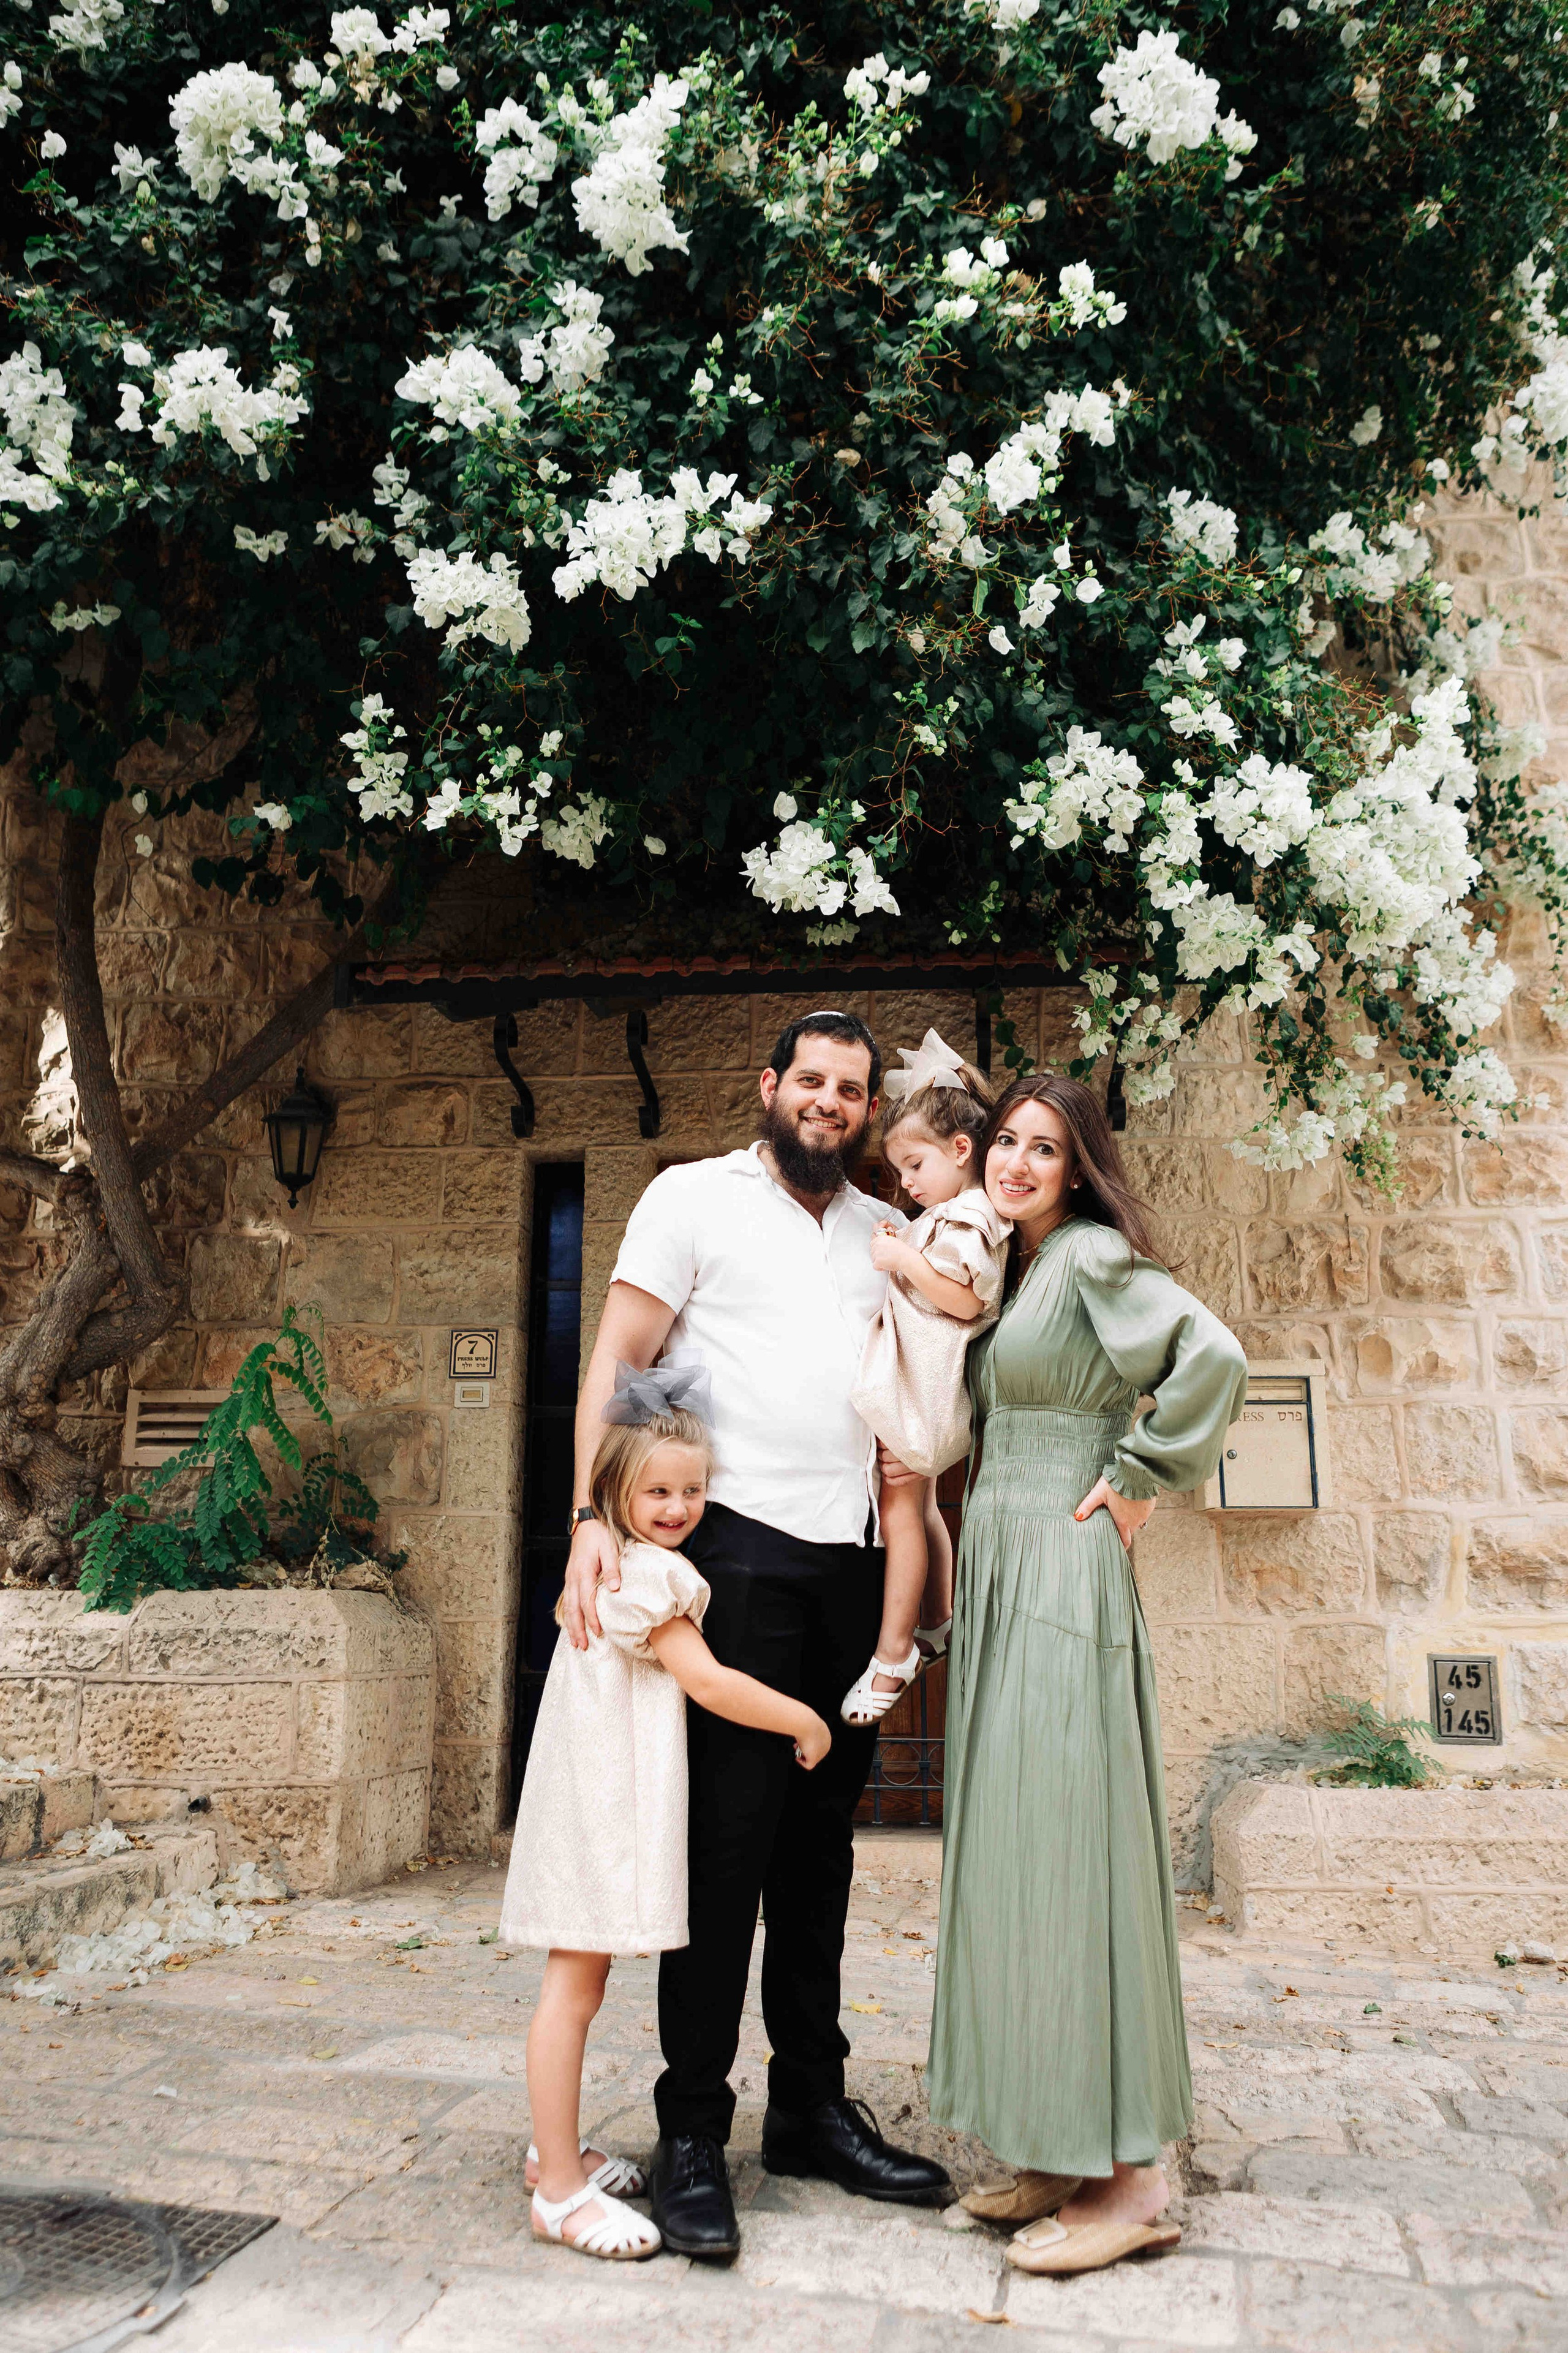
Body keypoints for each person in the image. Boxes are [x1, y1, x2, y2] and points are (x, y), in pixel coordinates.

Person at [559, 1008, 952, 2259]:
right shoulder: (691, 1199)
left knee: (819, 1858)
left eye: (853, 1089)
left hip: (847, 1563)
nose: (829, 1101)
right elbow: (618, 1358)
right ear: (769, 1084)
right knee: (723, 1856)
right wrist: (588, 1517)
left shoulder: (878, 1233)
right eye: (812, 1080)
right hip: (729, 1556)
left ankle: (809, 2109)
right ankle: (689, 2132)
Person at [924, 1073, 1247, 2279]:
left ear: (1079, 1167)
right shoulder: (1022, 1268)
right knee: (1018, 1851)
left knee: (1072, 1848)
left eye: (1042, 1148)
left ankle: (1130, 2186)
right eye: (1002, 1141)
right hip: (1009, 1572)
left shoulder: (1095, 1259)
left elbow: (1208, 1352)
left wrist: (1139, 1475)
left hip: (1058, 1573)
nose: (1013, 1163)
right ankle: (1058, 2146)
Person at [502, 1365, 832, 2262]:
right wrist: (804, 1717)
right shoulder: (647, 1577)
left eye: (693, 1489)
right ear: (614, 1488)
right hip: (599, 1803)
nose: (680, 1505)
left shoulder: (617, 1558)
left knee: (581, 1983)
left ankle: (554, 2151)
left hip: (587, 1791)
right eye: (659, 1489)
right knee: (571, 1992)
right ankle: (562, 2194)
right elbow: (709, 1681)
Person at [842, 1029, 1009, 1725]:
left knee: (902, 1513)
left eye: (913, 1166)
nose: (905, 1183)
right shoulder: (947, 1212)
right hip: (928, 1386)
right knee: (927, 1508)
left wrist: (900, 1260)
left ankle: (893, 1652)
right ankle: (938, 1619)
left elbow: (969, 1296)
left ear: (960, 1151)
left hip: (926, 1389)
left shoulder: (968, 1217)